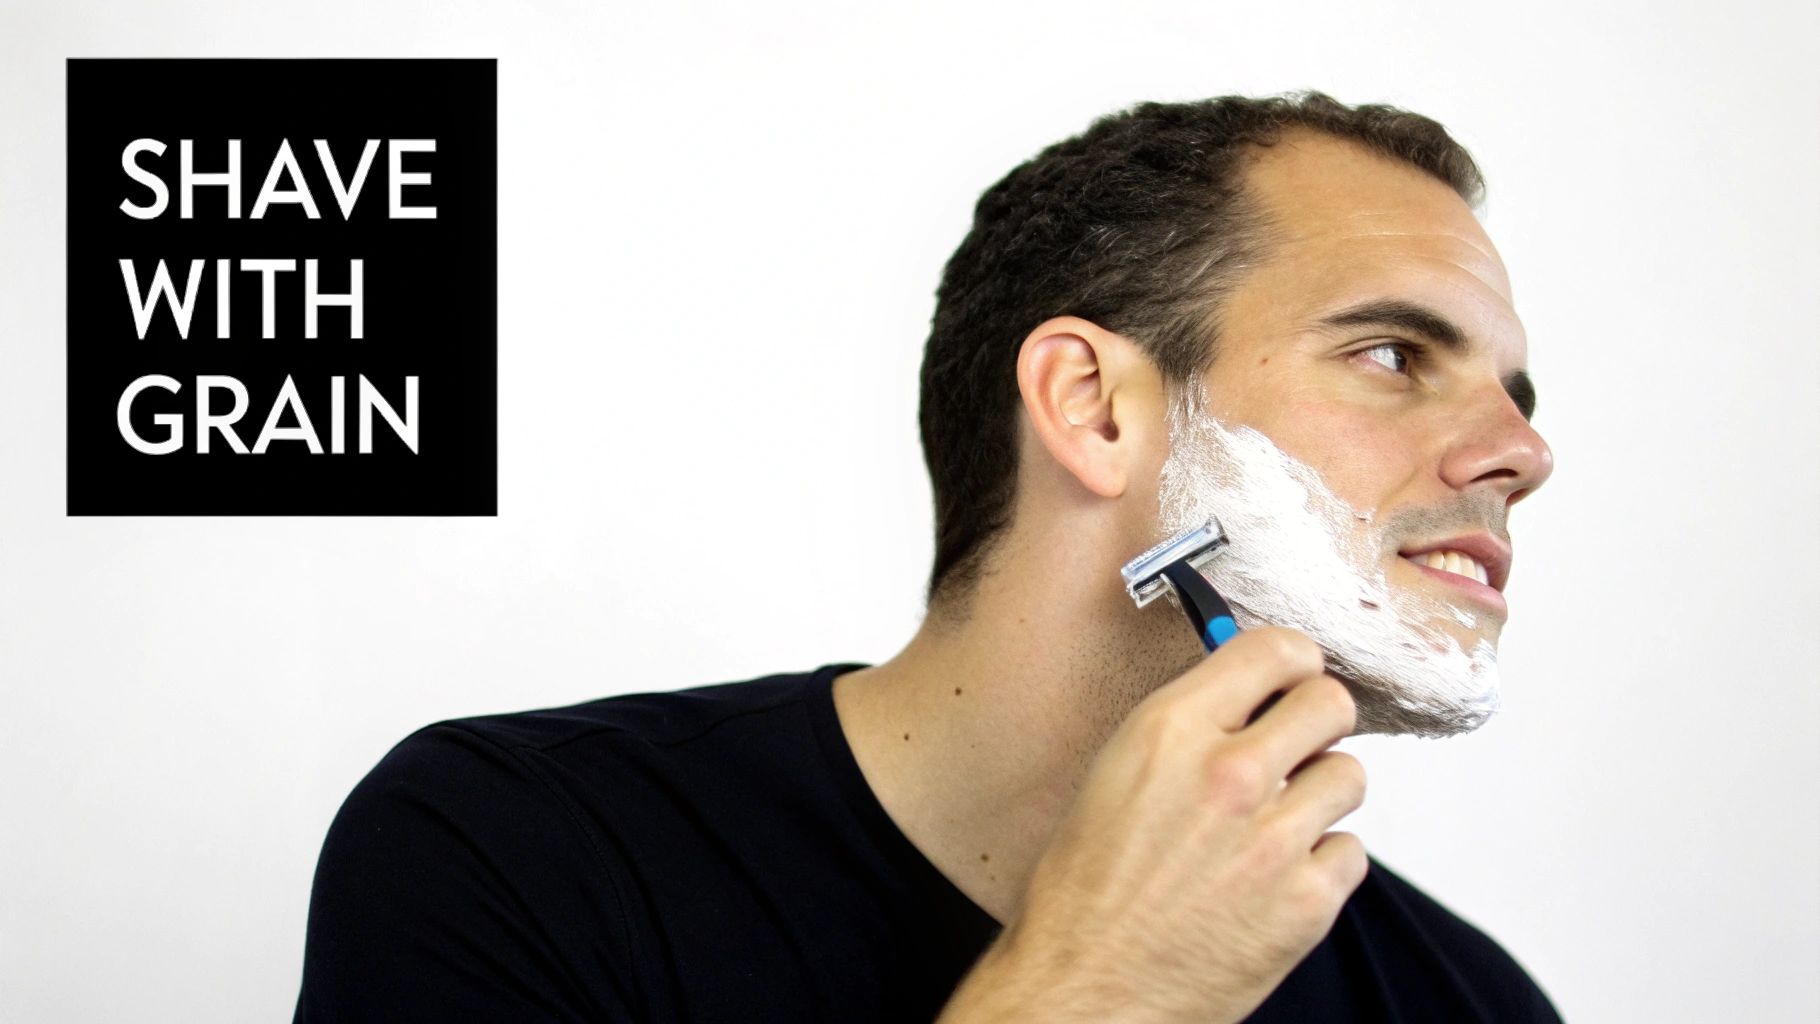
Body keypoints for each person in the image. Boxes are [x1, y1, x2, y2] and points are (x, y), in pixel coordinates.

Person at [294, 91, 1563, 1022]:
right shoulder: (518, 853)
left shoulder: (1468, 1006)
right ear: (1093, 407)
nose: (1522, 452)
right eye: (1394, 356)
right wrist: (1094, 996)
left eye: (1516, 394)